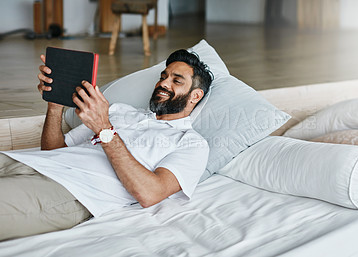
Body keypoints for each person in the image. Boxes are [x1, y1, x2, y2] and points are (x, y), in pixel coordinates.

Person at [0, 49, 212, 241]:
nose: (164, 83)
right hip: (29, 162)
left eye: (177, 81)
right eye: (163, 77)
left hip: (70, 191)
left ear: (196, 96)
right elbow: (52, 152)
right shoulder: (119, 110)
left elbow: (150, 194)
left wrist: (104, 129)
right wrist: (54, 105)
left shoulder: (191, 143)